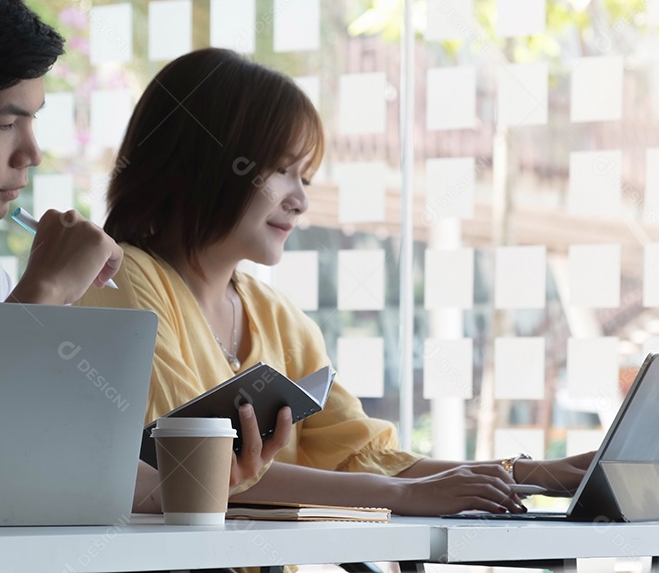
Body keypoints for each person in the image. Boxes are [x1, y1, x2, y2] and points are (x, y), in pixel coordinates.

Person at [77, 47, 594, 515]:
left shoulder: (278, 317)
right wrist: (406, 497)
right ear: (203, 162)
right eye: (282, 170)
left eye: (306, 176)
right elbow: (193, 468)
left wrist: (532, 474)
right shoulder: (122, 278)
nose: (300, 200)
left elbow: (364, 456)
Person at [0, 0, 288, 513]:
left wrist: (192, 482)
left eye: (34, 120)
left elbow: (21, 451)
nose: (32, 153)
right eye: (4, 125)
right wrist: (44, 291)